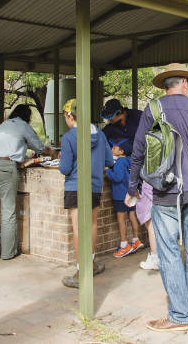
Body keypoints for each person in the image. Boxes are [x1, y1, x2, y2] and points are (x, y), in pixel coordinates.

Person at [128, 63, 188, 332]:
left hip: (165, 190)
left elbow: (138, 151)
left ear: (165, 85)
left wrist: (133, 186)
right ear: (185, 84)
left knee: (168, 251)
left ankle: (179, 315)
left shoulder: (154, 109)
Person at [0, 104, 50, 264]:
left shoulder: (3, 125)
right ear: (27, 116)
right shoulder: (23, 126)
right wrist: (50, 151)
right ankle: (8, 252)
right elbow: (38, 147)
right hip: (5, 167)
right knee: (8, 210)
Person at [60, 98, 114, 288]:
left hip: (75, 186)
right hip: (94, 186)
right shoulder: (99, 134)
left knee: (77, 228)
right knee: (91, 225)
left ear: (69, 116)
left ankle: (81, 270)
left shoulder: (68, 138)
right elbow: (109, 160)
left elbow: (65, 168)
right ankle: (90, 264)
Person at [105, 138, 143, 258]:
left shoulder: (120, 162)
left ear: (121, 151)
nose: (112, 149)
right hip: (130, 193)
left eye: (114, 147)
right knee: (132, 216)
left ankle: (124, 245)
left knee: (121, 219)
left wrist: (107, 171)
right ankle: (136, 239)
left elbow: (117, 177)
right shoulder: (129, 160)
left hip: (120, 195)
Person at [135, 181, 159, 270]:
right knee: (153, 229)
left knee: (151, 229)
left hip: (146, 190)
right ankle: (157, 257)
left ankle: (155, 259)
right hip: (149, 189)